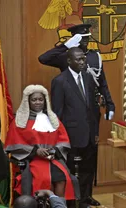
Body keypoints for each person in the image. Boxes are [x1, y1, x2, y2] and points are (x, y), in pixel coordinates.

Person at [4, 85, 78, 200]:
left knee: (63, 177)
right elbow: (14, 144)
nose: (37, 102)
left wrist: (54, 151)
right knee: (44, 178)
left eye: (40, 99)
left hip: (53, 159)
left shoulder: (52, 119)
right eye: (34, 100)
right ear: (27, 102)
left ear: (45, 101)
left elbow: (63, 140)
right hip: (33, 160)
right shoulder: (20, 121)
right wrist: (36, 151)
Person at [51, 47, 98, 207]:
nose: (82, 62)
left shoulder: (88, 78)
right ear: (69, 61)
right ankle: (72, 202)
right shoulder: (60, 81)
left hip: (90, 132)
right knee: (71, 170)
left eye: (83, 59)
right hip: (71, 134)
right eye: (78, 59)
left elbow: (93, 107)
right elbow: (57, 112)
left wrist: (96, 131)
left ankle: (85, 199)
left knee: (88, 169)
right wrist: (61, 137)